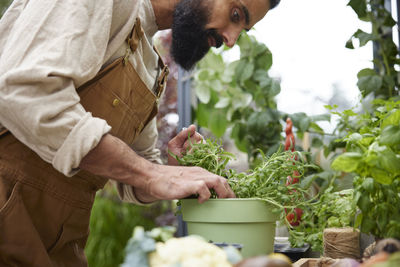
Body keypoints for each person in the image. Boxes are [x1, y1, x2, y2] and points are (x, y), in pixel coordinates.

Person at [0, 0, 280, 265]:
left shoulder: (149, 62)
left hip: (59, 243)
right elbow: (23, 91)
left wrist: (170, 170)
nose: (230, 40)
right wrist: (149, 174)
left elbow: (131, 180)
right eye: (235, 15)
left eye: (242, 30)